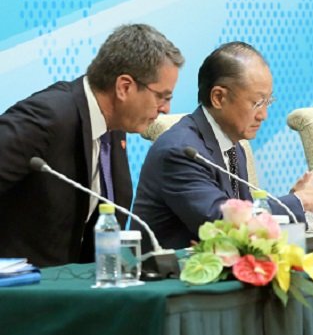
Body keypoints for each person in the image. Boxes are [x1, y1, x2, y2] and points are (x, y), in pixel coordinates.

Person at [0, 24, 184, 267]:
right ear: (124, 87)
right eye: (162, 96)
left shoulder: (114, 125)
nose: (165, 108)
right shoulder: (49, 116)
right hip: (21, 283)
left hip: (78, 281)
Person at [133, 42, 313, 250]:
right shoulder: (181, 151)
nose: (263, 115)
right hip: (173, 269)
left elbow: (248, 219)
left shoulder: (232, 145)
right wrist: (299, 201)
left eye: (267, 102)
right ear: (218, 97)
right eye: (257, 103)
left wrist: (292, 199)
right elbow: (222, 223)